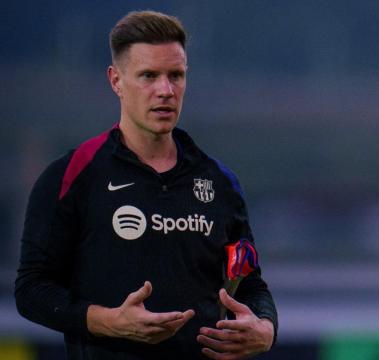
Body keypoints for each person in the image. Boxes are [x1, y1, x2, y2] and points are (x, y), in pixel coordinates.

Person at [15, 10, 277, 360]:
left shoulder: (220, 181)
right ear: (115, 80)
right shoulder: (72, 175)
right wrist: (108, 321)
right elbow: (32, 290)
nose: (165, 90)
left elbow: (249, 282)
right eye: (148, 76)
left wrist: (266, 328)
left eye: (176, 75)